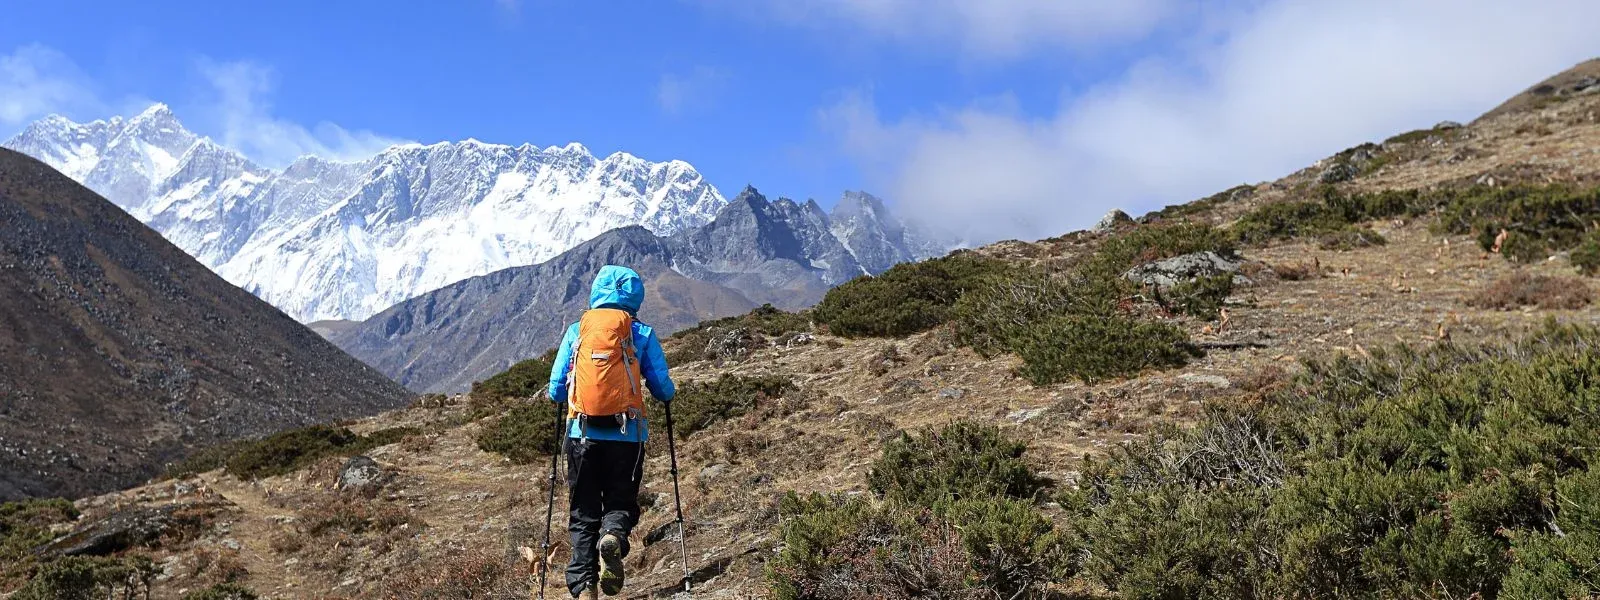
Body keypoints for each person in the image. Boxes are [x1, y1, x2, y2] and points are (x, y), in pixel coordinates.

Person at [548, 265, 676, 599]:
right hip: (626, 438)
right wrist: (667, 392)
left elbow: (556, 391)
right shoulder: (641, 333)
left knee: (583, 513)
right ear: (635, 297)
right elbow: (662, 388)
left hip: (581, 436)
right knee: (620, 503)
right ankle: (615, 537)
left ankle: (583, 587)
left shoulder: (578, 331)